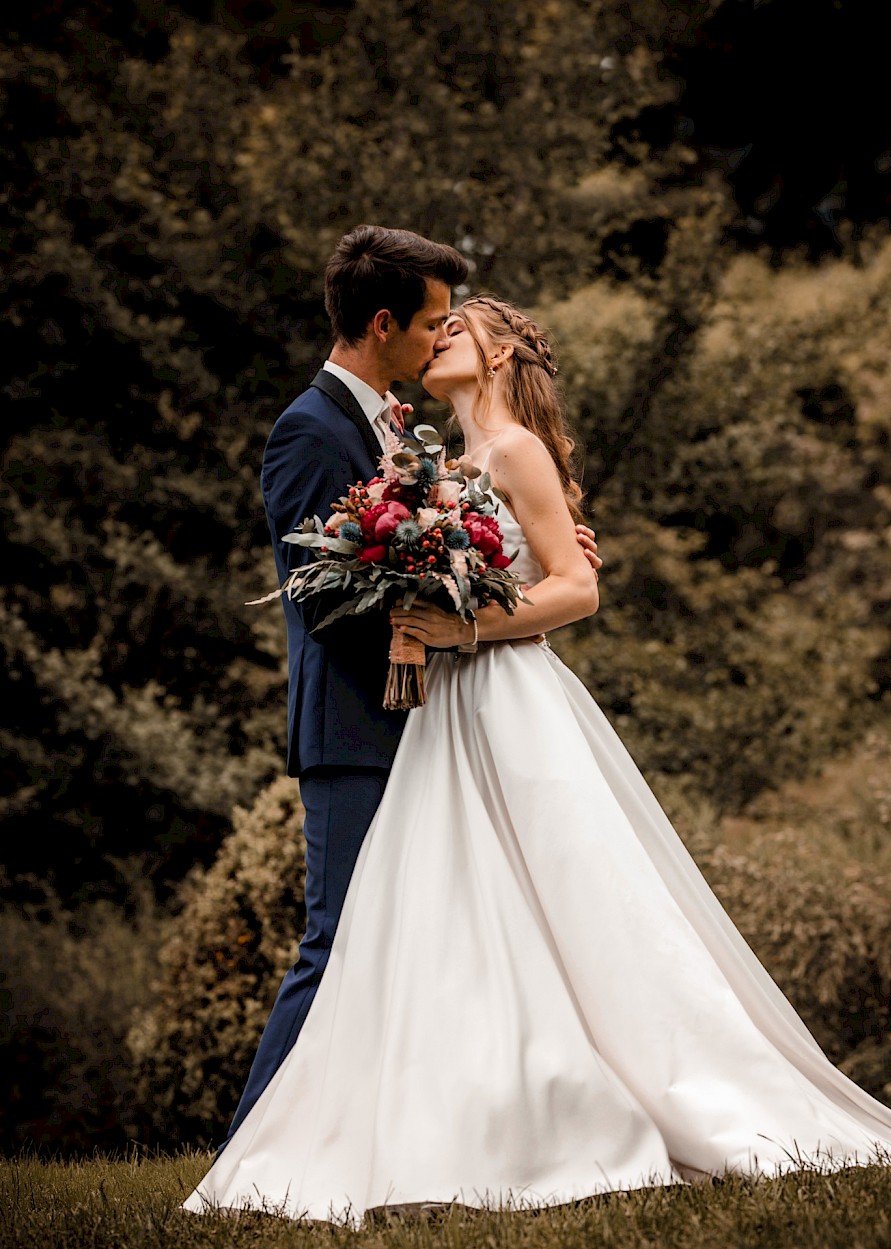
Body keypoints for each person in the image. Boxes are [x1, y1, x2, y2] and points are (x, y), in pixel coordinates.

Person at [185, 293, 891, 1222]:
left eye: (457, 329)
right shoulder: (440, 465)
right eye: (434, 324)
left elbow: (574, 589)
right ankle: (483, 1107)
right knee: (462, 912)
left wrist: (461, 626)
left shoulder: (514, 452)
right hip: (445, 715)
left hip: (509, 700)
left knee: (577, 902)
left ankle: (650, 1088)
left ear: (498, 357)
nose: (439, 337)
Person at [218, 227, 602, 1153]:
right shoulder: (310, 430)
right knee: (339, 943)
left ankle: (428, 1135)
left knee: (440, 940)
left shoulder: (407, 429)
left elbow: (502, 560)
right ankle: (252, 1150)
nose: (439, 337)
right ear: (383, 323)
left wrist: (496, 584)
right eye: (432, 321)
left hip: (443, 722)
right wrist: (458, 602)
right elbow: (324, 601)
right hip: (356, 728)